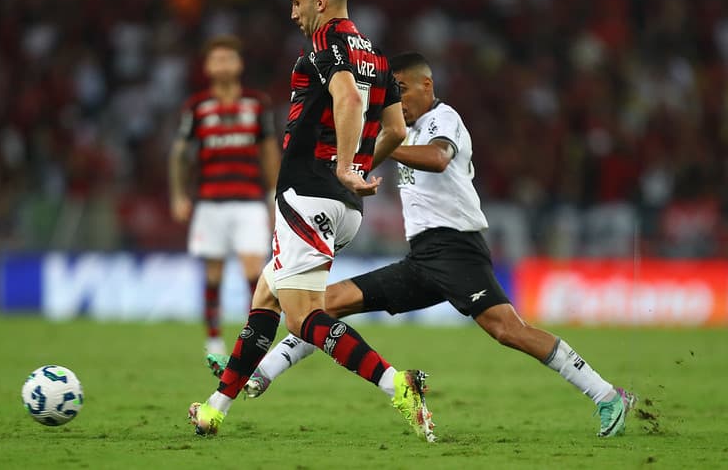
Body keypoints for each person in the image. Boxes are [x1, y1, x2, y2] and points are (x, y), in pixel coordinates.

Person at [208, 52, 638, 438]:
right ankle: (258, 374)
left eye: (402, 90)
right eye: (390, 92)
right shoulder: (400, 129)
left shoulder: (442, 119)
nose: (396, 99)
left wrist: (389, 145)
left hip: (457, 250)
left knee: (508, 330)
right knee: (330, 302)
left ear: (426, 85)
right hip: (422, 258)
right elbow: (358, 163)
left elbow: (437, 159)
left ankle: (606, 395)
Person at [188, 0, 437, 442]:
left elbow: (345, 98)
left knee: (304, 318)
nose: (293, 12)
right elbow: (396, 128)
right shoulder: (378, 55)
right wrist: (361, 168)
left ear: (321, 1)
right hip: (346, 208)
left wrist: (346, 166)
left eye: (297, 2)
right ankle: (215, 410)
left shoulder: (330, 41)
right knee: (266, 294)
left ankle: (398, 385)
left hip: (308, 193)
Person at [169, 35, 280, 356]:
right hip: (210, 202)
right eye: (216, 59)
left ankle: (253, 342)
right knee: (213, 273)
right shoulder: (197, 107)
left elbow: (269, 153)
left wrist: (273, 196)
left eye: (228, 58)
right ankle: (214, 340)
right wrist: (178, 195)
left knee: (252, 272)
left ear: (240, 64)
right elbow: (179, 152)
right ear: (206, 67)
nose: (223, 64)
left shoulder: (257, 104)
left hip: (249, 201)